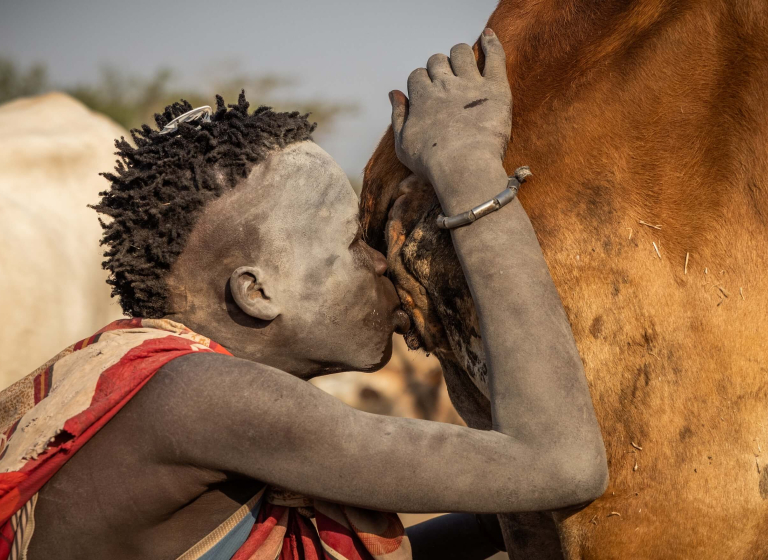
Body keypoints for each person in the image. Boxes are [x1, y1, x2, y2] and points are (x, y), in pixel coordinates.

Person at [0, 29, 607, 560]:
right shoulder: (205, 397)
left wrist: (493, 521)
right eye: (351, 242)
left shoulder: (166, 385)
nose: (379, 262)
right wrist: (469, 168)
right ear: (257, 292)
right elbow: (563, 464)